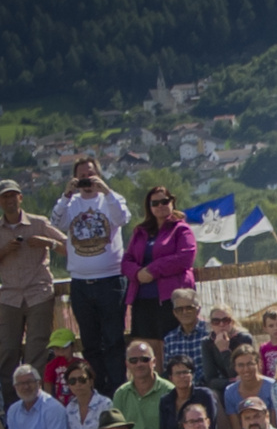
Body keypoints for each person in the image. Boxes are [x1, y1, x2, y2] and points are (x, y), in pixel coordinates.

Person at [50, 161, 130, 394]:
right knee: (90, 341)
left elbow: (123, 218)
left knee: (114, 339)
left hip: (111, 280)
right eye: (82, 177)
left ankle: (118, 390)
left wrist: (106, 191)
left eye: (91, 175)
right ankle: (97, 389)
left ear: (100, 175)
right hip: (80, 283)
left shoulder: (112, 199)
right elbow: (56, 222)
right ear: (75, 179)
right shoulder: (70, 204)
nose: (87, 180)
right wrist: (66, 195)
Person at [0, 178, 68, 407]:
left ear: (20, 197)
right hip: (8, 296)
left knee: (36, 351)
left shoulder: (38, 223)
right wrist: (4, 251)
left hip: (39, 293)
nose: (9, 200)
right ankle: (12, 408)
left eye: (12, 195)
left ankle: (37, 404)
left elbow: (68, 247)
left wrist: (47, 242)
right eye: (4, 197)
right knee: (7, 352)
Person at [120, 186, 195, 370]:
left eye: (164, 201)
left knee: (170, 347)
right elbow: (126, 261)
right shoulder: (140, 231)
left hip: (171, 298)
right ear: (149, 207)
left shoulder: (181, 229)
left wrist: (152, 270)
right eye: (155, 203)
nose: (160, 206)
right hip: (143, 298)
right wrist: (137, 273)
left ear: (172, 203)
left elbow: (185, 257)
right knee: (148, 351)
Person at [111, 340, 175, 429]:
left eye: (144, 359)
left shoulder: (169, 391)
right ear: (127, 364)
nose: (139, 364)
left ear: (154, 362)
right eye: (133, 360)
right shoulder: (120, 394)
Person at [156, 355, 219, 429]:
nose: (182, 376)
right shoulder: (165, 401)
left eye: (186, 372)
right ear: (170, 377)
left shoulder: (204, 395)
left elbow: (211, 427)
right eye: (178, 373)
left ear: (192, 374)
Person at [62, 361, 114, 429]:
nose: (77, 384)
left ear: (91, 381)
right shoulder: (69, 408)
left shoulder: (105, 404)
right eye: (72, 381)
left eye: (82, 379)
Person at [224, 345, 275, 429]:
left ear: (259, 364)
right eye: (241, 365)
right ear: (235, 367)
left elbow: (276, 424)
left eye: (250, 364)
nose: (246, 369)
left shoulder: (272, 386)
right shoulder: (230, 392)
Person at [160, 289, 208, 375]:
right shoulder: (169, 339)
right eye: (179, 309)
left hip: (207, 385)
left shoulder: (210, 333)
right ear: (174, 313)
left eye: (189, 308)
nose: (184, 312)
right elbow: (168, 371)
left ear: (198, 310)